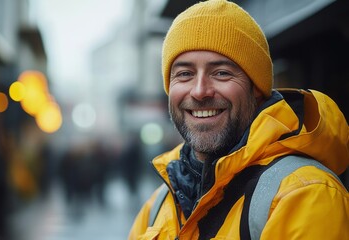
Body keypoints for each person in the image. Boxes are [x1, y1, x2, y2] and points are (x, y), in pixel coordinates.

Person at [128, 0, 349, 239]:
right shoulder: (157, 205)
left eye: (221, 72)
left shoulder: (305, 195)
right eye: (184, 74)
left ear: (256, 89)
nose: (200, 91)